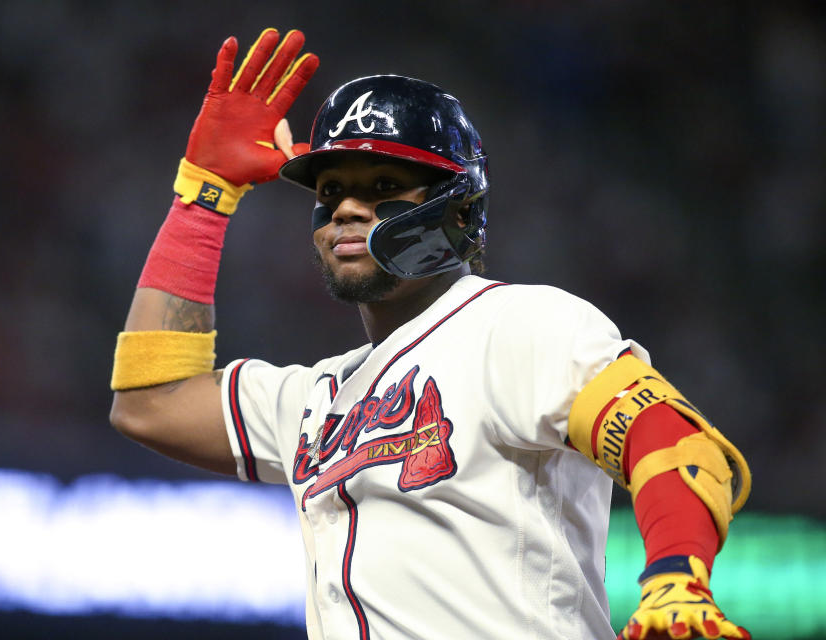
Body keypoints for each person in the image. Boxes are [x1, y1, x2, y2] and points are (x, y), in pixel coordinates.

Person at [109, 28, 752, 640]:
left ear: (459, 207)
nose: (348, 210)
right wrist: (202, 198)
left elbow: (670, 436)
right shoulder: (316, 398)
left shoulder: (519, 325)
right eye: (332, 191)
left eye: (385, 187)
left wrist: (675, 576)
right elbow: (150, 402)